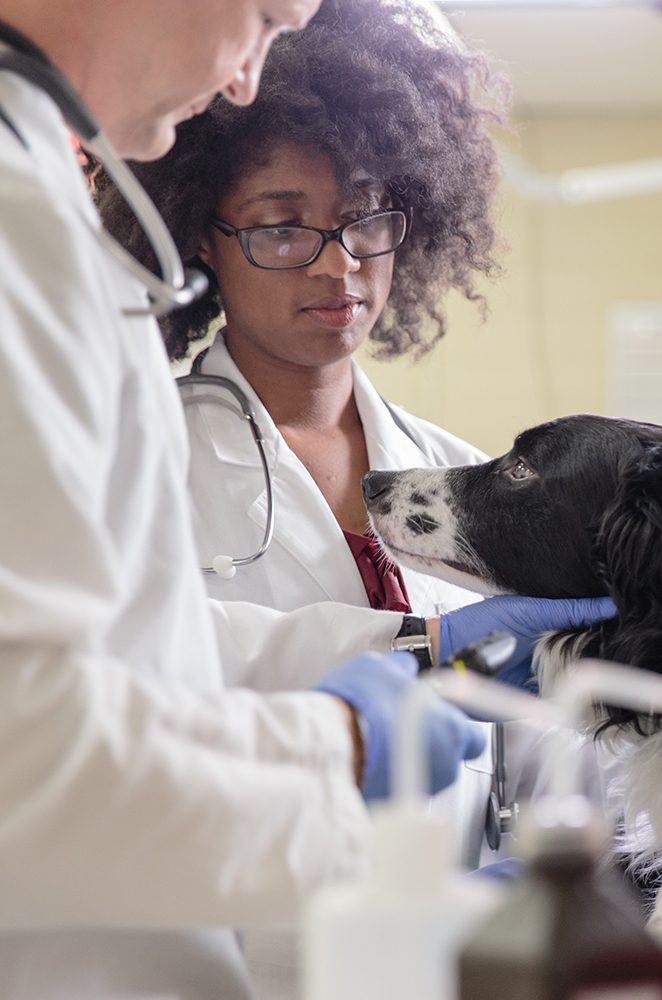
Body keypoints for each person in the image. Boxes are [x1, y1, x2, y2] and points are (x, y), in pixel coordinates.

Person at [0, 2, 612, 998]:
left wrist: (567, 843)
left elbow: (157, 663)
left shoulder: (460, 469)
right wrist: (348, 735)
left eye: (366, 220)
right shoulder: (41, 254)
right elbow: (59, 736)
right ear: (210, 227)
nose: (339, 264)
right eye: (283, 226)